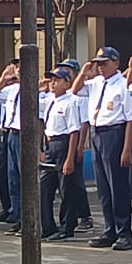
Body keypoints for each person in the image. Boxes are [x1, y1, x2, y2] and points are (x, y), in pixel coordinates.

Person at [73, 48, 132, 251]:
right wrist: (84, 73)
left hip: (114, 133)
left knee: (117, 186)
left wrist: (127, 148)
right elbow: (75, 90)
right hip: (97, 133)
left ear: (116, 63)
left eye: (104, 63)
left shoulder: (124, 85)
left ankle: (124, 232)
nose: (100, 67)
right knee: (103, 187)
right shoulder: (95, 83)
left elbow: (130, 120)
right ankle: (110, 229)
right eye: (98, 63)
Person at [40, 67, 86, 240]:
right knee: (44, 188)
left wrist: (70, 158)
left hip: (64, 144)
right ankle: (47, 226)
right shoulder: (49, 100)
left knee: (66, 188)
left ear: (67, 83)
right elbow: (29, 100)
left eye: (57, 80)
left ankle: (67, 227)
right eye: (51, 80)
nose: (52, 83)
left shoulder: (70, 102)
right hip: (50, 144)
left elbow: (74, 131)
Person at [0, 61, 24, 235]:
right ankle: (18, 218)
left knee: (24, 178)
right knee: (13, 179)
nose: (18, 71)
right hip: (10, 134)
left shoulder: (35, 89)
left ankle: (28, 219)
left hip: (23, 135)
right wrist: (4, 78)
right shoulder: (12, 89)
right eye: (17, 68)